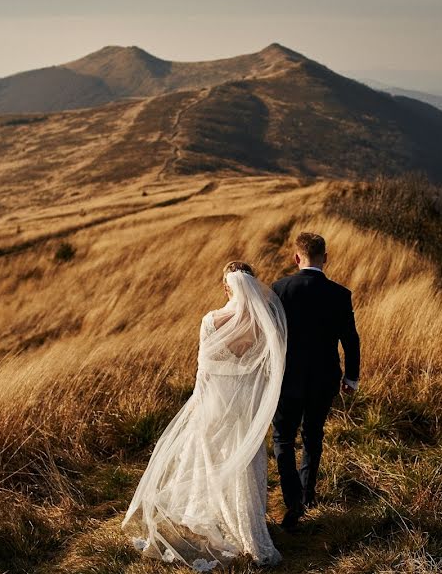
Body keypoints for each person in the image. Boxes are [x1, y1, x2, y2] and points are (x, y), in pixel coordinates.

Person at [122, 261, 288, 570]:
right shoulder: (265, 323)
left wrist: (199, 405)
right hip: (247, 409)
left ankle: (218, 527)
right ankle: (252, 533)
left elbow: (205, 371)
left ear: (226, 287)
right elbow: (268, 372)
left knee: (212, 465)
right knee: (247, 469)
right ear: (253, 286)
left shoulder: (211, 321)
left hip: (215, 403)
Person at [271, 232, 361, 530]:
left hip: (286, 379)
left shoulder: (279, 290)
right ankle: (308, 496)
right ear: (326, 257)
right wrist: (351, 377)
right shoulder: (340, 294)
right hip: (324, 379)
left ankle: (293, 499)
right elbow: (351, 340)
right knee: (313, 435)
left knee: (283, 438)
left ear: (297, 258)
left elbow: (270, 339)